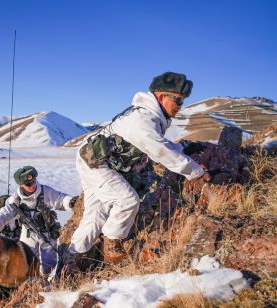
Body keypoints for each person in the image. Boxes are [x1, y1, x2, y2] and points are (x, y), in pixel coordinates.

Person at [60, 72, 210, 273]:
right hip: (97, 163)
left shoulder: (150, 116)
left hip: (94, 161)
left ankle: (69, 260)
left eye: (182, 102)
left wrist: (184, 154)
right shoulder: (142, 120)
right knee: (127, 200)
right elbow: (160, 150)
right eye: (177, 100)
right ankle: (112, 244)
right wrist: (195, 172)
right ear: (161, 96)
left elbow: (162, 145)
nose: (180, 106)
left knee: (95, 215)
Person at [0, 166, 76, 274]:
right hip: (28, 234)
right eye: (28, 184)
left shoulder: (45, 191)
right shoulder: (15, 199)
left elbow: (60, 199)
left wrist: (70, 202)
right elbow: (3, 215)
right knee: (27, 264)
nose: (32, 185)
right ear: (21, 185)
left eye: (33, 181)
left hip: (47, 234)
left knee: (49, 265)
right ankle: (32, 286)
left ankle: (51, 286)